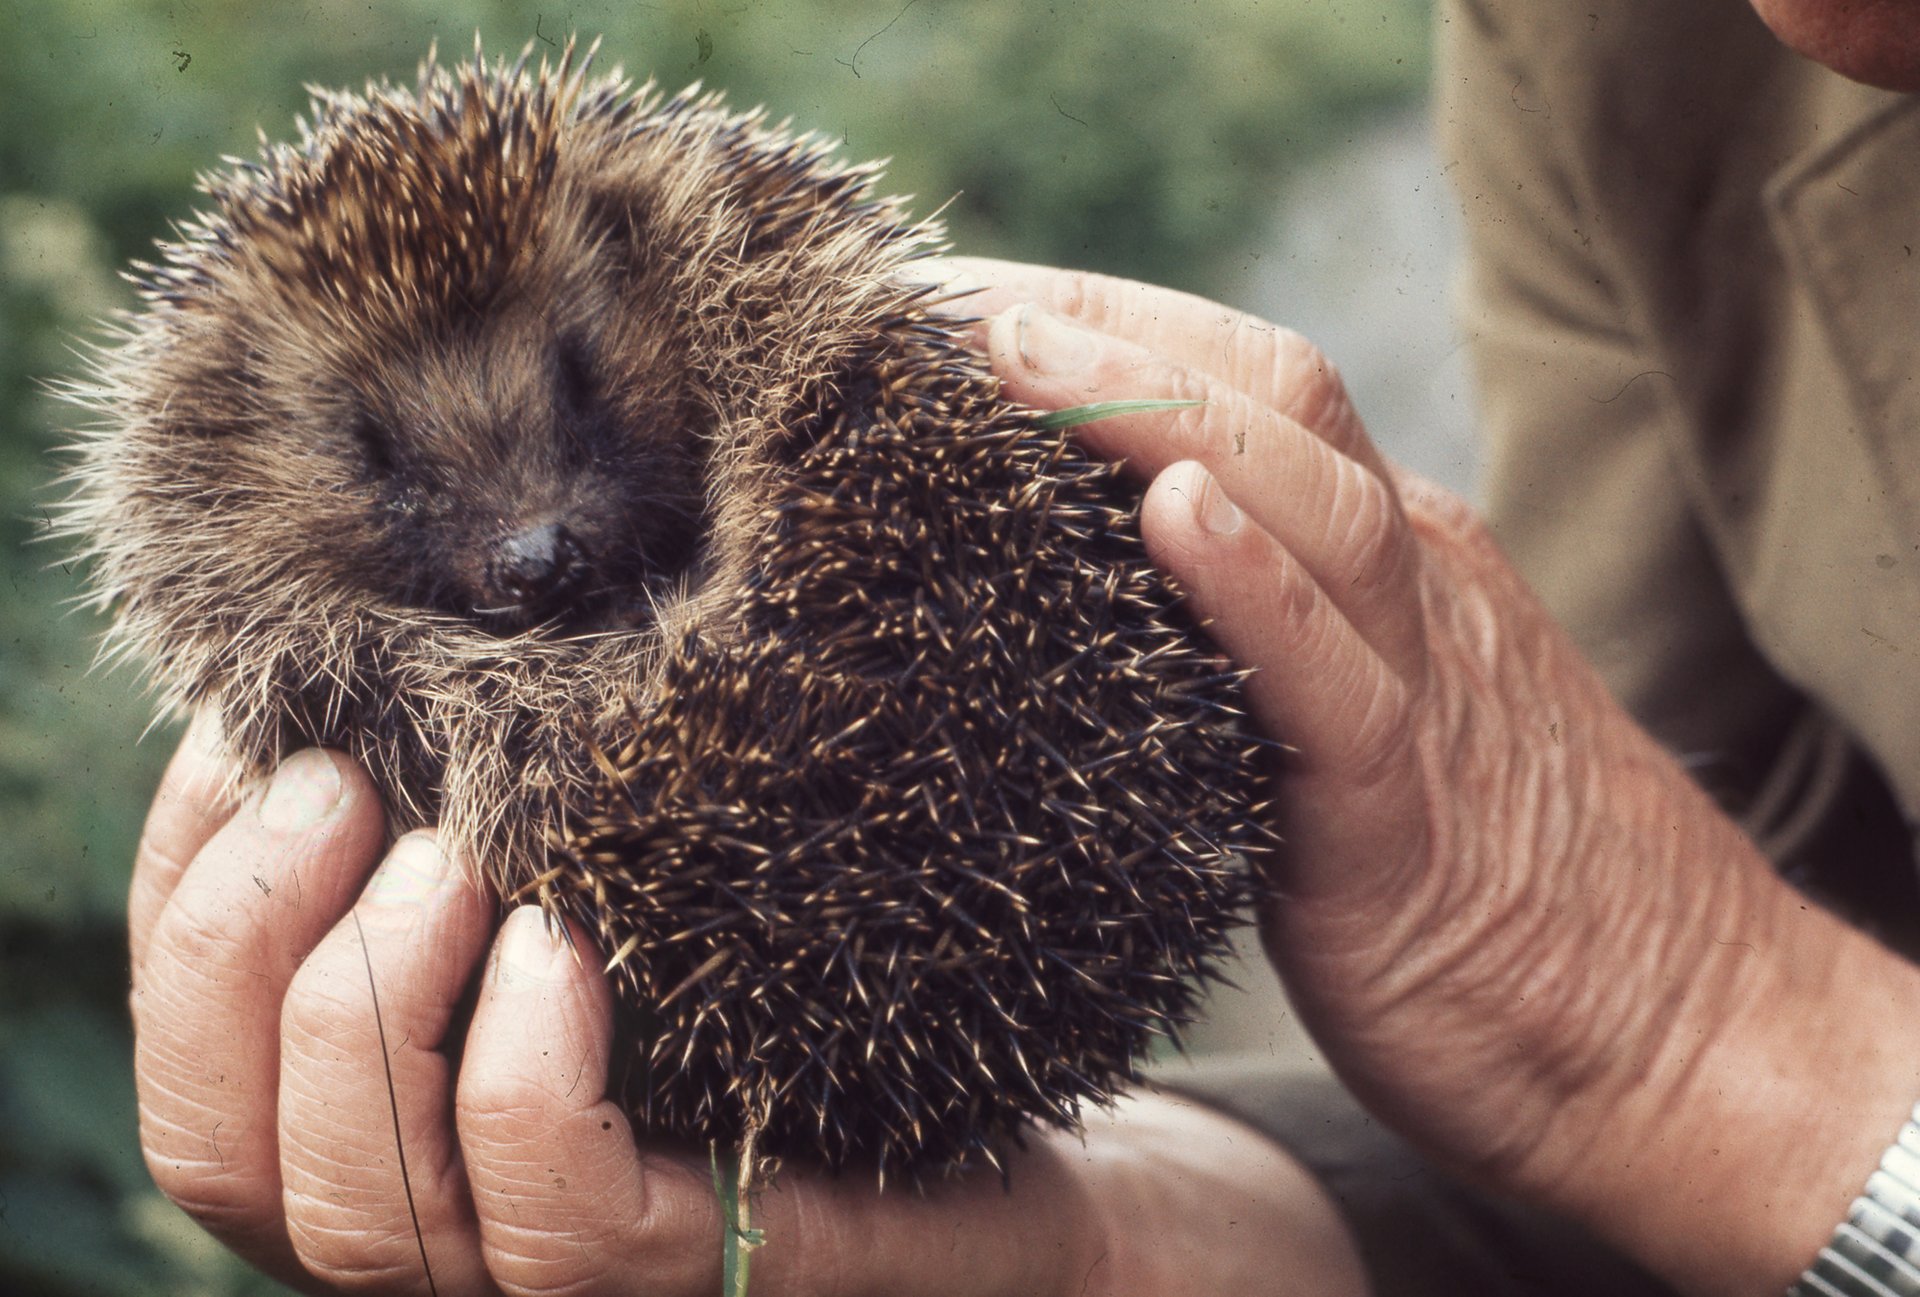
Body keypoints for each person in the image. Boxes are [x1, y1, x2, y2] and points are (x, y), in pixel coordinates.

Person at [123, 0, 1920, 1292]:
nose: (529, 530)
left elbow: (1712, 1079)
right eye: (384, 460)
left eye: (577, 388)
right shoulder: (1619, 45)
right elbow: (1687, 1123)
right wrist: (1111, 1250)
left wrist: (1707, 1038)